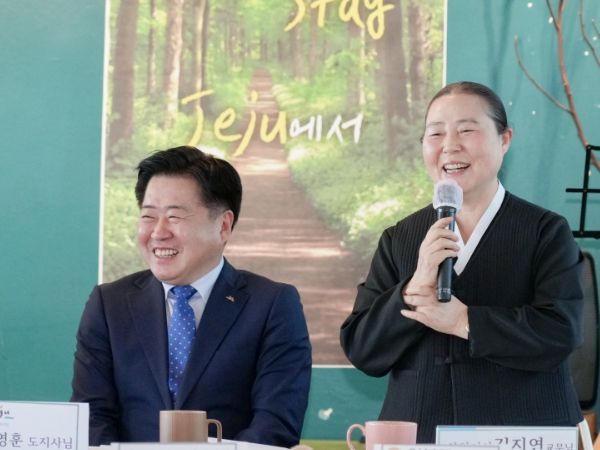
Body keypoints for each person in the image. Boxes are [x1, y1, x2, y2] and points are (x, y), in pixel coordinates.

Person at [340, 81, 584, 443]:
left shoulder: (545, 231)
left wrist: (464, 321)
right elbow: (363, 349)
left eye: (467, 130)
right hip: (420, 434)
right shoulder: (399, 237)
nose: (449, 145)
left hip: (521, 434)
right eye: (435, 133)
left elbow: (560, 331)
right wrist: (411, 289)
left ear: (504, 139)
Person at [71, 146, 312, 447]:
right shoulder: (109, 304)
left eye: (174, 216)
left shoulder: (272, 305)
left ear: (223, 225)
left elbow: (274, 424)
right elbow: (92, 417)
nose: (158, 232)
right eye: (148, 216)